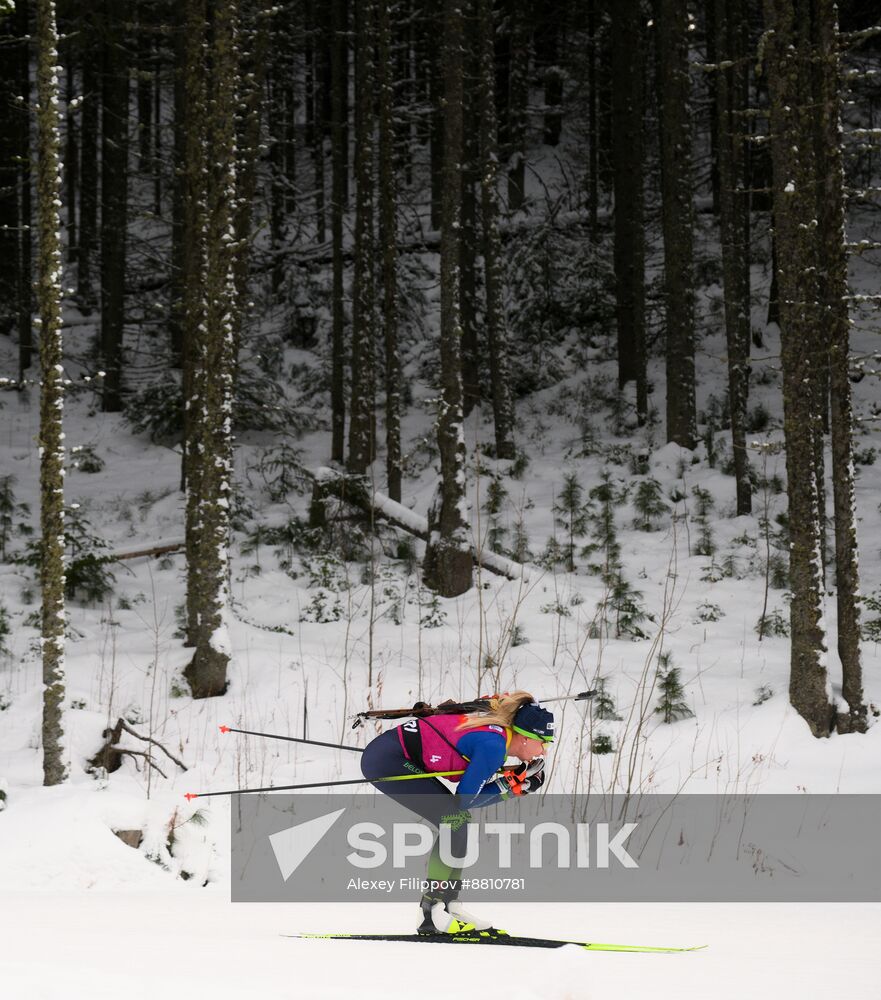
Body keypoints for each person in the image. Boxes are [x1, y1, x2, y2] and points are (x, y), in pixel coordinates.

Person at [359, 690, 555, 934]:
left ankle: (449, 905)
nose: (543, 751)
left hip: (393, 753)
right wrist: (511, 787)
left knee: (458, 822)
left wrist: (513, 785)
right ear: (525, 738)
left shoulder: (498, 738)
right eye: (543, 742)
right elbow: (464, 800)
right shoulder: (494, 746)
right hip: (388, 759)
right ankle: (431, 912)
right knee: (454, 819)